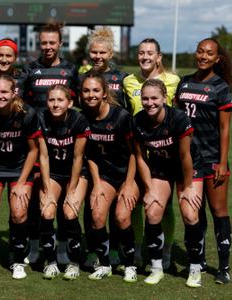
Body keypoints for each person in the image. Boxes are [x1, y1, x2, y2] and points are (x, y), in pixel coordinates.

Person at [175, 38, 232, 284]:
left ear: (217, 59)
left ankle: (223, 267)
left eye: (209, 53)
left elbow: (225, 130)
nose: (203, 56)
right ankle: (196, 261)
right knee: (193, 214)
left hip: (212, 160)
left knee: (218, 212)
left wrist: (222, 163)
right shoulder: (184, 82)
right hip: (188, 160)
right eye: (200, 51)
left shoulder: (221, 88)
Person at [134, 79, 204, 287]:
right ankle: (156, 267)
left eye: (154, 98)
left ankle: (194, 268)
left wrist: (189, 187)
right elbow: (140, 158)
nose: (149, 103)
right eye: (145, 98)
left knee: (190, 214)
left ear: (164, 98)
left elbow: (185, 157)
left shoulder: (179, 119)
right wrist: (148, 189)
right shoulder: (137, 121)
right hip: (160, 167)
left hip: (187, 169)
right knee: (152, 211)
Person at [20, 22, 80, 264]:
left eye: (51, 43)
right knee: (37, 198)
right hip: (37, 143)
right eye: (43, 43)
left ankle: (63, 248)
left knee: (66, 197)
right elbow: (20, 104)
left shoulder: (71, 71)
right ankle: (34, 247)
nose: (47, 47)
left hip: (64, 143)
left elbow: (79, 105)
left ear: (60, 44)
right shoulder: (29, 70)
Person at [0, 75, 42, 279]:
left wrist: (21, 182)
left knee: (19, 212)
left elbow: (33, 151)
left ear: (14, 93)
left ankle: (17, 260)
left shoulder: (27, 114)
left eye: (4, 92)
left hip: (20, 169)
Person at [123, 38, 181, 269]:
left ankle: (165, 249)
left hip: (165, 151)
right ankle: (137, 248)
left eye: (150, 53)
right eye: (141, 53)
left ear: (159, 57)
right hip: (138, 150)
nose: (145, 57)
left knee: (164, 205)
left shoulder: (174, 80)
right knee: (136, 202)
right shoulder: (128, 81)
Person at [81, 71, 139, 282]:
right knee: (96, 215)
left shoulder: (121, 116)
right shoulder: (83, 116)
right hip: (104, 175)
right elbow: (91, 155)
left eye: (96, 90)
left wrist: (129, 184)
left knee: (122, 216)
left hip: (127, 174)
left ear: (105, 93)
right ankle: (104, 264)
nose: (91, 95)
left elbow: (135, 153)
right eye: (86, 90)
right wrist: (96, 184)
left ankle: (129, 264)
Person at [83, 26, 130, 268]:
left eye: (102, 53)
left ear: (111, 54)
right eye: (94, 53)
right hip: (90, 148)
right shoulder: (82, 76)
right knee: (92, 202)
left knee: (116, 208)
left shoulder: (122, 79)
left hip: (116, 152)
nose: (98, 57)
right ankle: (93, 250)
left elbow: (128, 115)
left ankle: (115, 250)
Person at [37, 84, 91, 280]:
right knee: (47, 210)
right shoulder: (41, 118)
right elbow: (43, 157)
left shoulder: (78, 119)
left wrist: (72, 190)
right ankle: (50, 262)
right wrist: (47, 189)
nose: (55, 104)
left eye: (60, 100)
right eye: (51, 100)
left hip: (75, 173)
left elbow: (78, 158)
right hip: (53, 173)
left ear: (69, 103)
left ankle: (74, 262)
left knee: (69, 212)